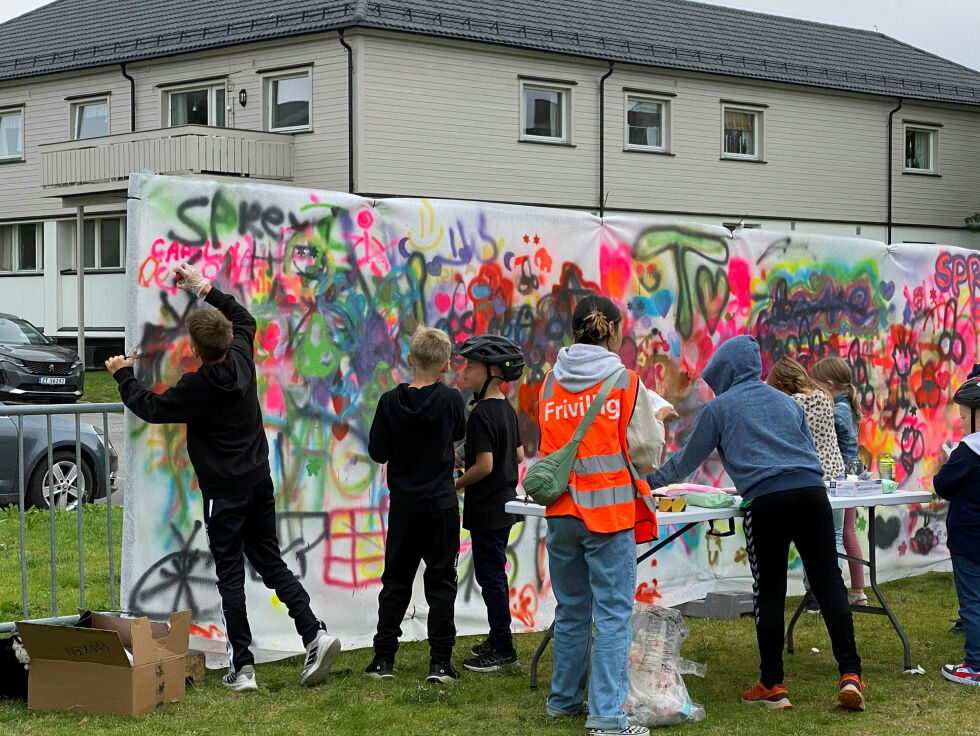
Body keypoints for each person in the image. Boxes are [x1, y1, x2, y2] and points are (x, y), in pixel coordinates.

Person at [106, 262, 340, 692]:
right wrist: (203, 288)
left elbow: (151, 408)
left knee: (230, 574)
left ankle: (244, 668)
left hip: (224, 495)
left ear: (193, 350)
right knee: (270, 561)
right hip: (258, 481)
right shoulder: (242, 358)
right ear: (229, 339)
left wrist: (122, 373)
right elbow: (245, 318)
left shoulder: (198, 386)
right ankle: (314, 633)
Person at [648, 335, 864, 712]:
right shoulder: (786, 401)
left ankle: (773, 684)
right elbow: (803, 451)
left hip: (767, 501)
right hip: (812, 492)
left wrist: (643, 482)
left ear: (725, 373)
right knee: (830, 581)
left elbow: (684, 463)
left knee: (770, 591)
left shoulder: (719, 409)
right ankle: (850, 673)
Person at [538, 294, 672, 736]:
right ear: (612, 330)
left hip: (561, 513)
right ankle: (607, 718)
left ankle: (562, 701)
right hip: (609, 516)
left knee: (572, 610)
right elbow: (647, 455)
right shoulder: (625, 382)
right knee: (612, 616)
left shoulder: (549, 384)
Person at [364, 325, 466, 684]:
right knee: (441, 583)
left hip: (404, 507)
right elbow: (458, 434)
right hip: (440, 506)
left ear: (410, 359)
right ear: (445, 366)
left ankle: (383, 659)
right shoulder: (451, 400)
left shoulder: (390, 402)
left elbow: (377, 451)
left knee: (395, 582)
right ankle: (439, 663)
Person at [453, 334, 526, 673]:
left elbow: (485, 466)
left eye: (471, 366)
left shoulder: (481, 414)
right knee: (494, 574)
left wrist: (456, 484)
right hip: (504, 506)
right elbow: (520, 454)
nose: (464, 372)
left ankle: (503, 649)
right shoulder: (506, 411)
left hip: (486, 510)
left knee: (491, 577)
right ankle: (499, 639)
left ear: (493, 372)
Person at [765, 356, 846, 612]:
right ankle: (835, 590)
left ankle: (814, 594)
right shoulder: (823, 397)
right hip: (837, 474)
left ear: (780, 382)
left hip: (810, 479)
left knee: (810, 540)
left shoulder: (788, 404)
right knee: (835, 536)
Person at [933, 377, 980, 687]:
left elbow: (942, 485)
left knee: (973, 601)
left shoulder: (968, 450)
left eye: (963, 416)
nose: (961, 423)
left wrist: (945, 463)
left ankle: (975, 665)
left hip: (970, 539)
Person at [811, 356, 868, 606]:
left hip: (838, 480)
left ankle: (832, 591)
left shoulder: (837, 412)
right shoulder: (849, 408)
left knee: (834, 535)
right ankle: (858, 591)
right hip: (852, 477)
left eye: (817, 385)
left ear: (830, 385)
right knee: (848, 534)